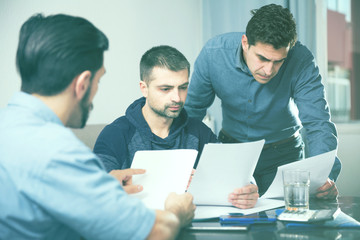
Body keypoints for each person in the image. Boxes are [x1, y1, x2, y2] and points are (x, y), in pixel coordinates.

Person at [0, 14, 195, 240]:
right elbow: (157, 232)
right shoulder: (59, 153)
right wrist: (177, 210)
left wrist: (99, 187)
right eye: (98, 80)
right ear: (83, 83)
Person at [184, 4, 341, 198]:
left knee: (287, 223)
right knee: (231, 222)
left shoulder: (301, 60)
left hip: (284, 156)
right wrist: (183, 166)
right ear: (245, 43)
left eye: (278, 61)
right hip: (232, 153)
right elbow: (191, 113)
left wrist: (323, 176)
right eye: (262, 58)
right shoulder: (213, 54)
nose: (268, 70)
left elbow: (318, 123)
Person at [93, 45, 259, 209]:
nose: (177, 98)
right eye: (166, 89)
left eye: (183, 87)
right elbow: (94, 193)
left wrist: (247, 190)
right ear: (144, 88)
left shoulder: (199, 131)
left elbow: (231, 174)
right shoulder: (115, 134)